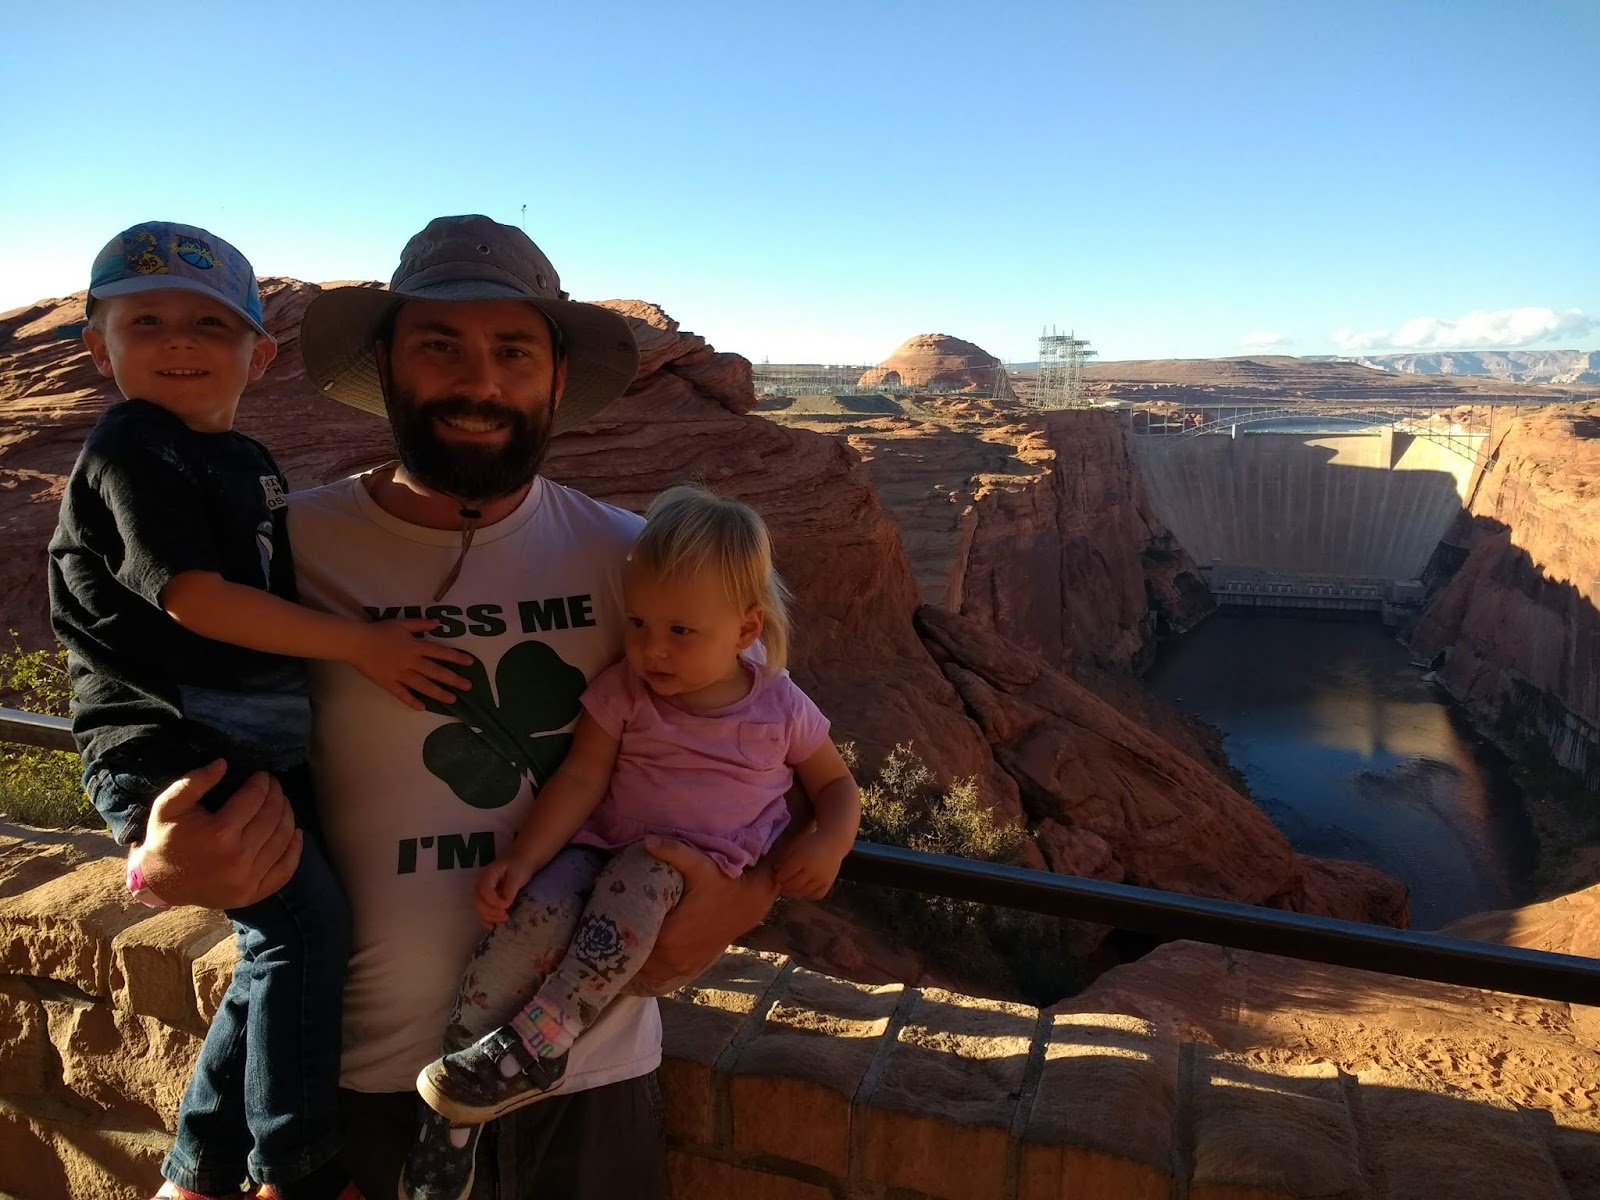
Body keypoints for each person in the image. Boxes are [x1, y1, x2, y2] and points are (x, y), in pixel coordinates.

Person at [128, 214, 787, 1200]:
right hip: (355, 1085)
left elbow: (773, 743)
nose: (480, 383)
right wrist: (151, 861)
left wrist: (751, 896)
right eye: (439, 346)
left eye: (513, 351)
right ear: (386, 364)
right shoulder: (283, 549)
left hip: (587, 1078)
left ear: (556, 380)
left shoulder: (637, 560)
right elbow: (155, 720)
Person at [48, 222, 473, 1200]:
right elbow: (194, 597)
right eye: (146, 321)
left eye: (209, 323)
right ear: (99, 348)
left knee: (281, 943)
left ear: (259, 352)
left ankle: (200, 1172)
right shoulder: (135, 446)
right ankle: (295, 1167)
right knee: (300, 935)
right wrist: (364, 646)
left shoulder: (237, 454)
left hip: (243, 740)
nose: (178, 341)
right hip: (173, 744)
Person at [399, 486, 861, 1200]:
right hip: (599, 851)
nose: (652, 647)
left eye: (681, 631)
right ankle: (455, 1096)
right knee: (534, 916)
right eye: (639, 623)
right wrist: (525, 859)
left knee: (643, 876)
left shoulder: (779, 703)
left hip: (682, 872)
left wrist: (829, 843)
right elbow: (582, 779)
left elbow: (836, 786)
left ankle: (543, 1043)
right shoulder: (625, 690)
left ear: (746, 628)